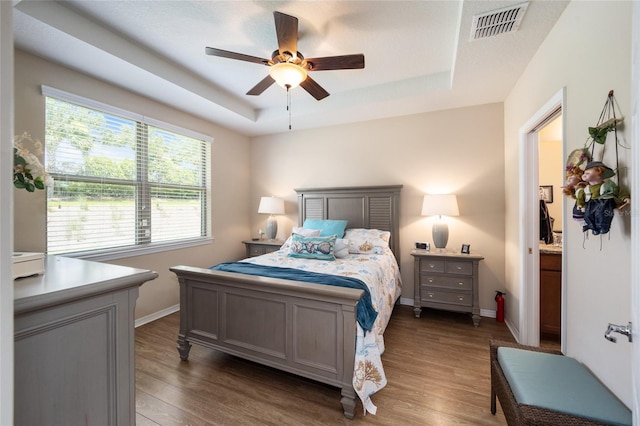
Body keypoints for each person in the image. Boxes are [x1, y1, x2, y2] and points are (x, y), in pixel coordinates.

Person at [575, 161, 630, 235]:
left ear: (599, 175)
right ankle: (593, 227)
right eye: (584, 173)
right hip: (591, 204)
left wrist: (624, 197)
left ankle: (604, 226)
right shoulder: (586, 189)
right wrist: (580, 204)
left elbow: (618, 191)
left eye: (588, 173)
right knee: (588, 215)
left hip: (604, 203)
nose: (584, 175)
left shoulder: (607, 185)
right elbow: (581, 197)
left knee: (602, 213)